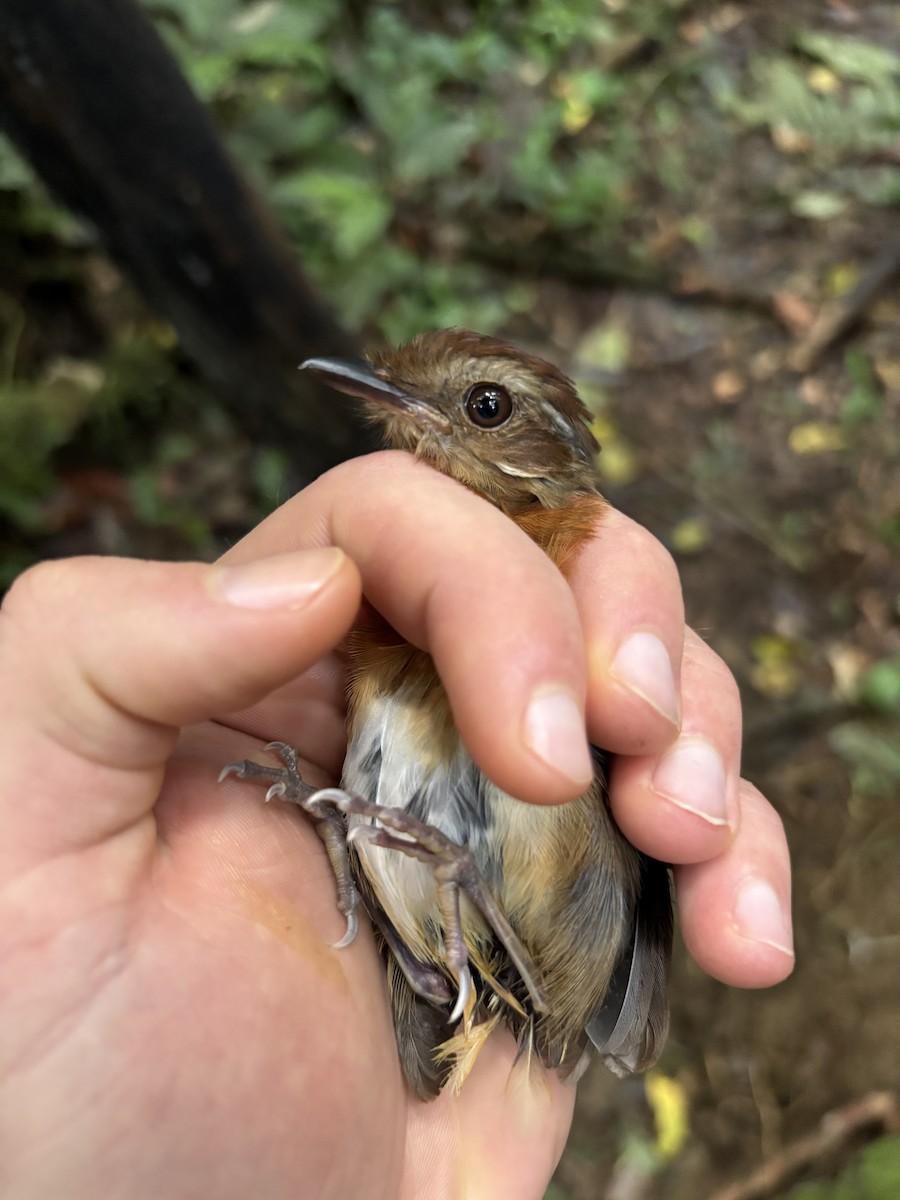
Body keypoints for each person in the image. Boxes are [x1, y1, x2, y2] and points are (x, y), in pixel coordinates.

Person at [0, 451, 792, 1200]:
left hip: (526, 940)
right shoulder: (363, 640)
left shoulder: (560, 602)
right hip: (430, 940)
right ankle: (426, 916)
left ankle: (438, 909)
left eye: (482, 407)